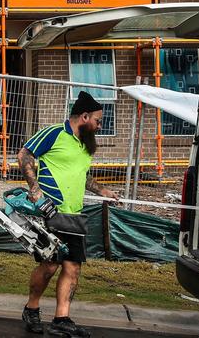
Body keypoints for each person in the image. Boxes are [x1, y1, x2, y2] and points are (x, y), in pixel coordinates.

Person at [17, 91, 119, 337]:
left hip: (75, 214)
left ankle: (61, 319)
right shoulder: (54, 133)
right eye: (97, 120)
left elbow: (81, 175)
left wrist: (101, 189)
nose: (99, 125)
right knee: (50, 265)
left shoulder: (85, 144)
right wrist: (34, 187)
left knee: (72, 266)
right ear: (84, 116)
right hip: (50, 212)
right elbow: (24, 155)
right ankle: (31, 309)